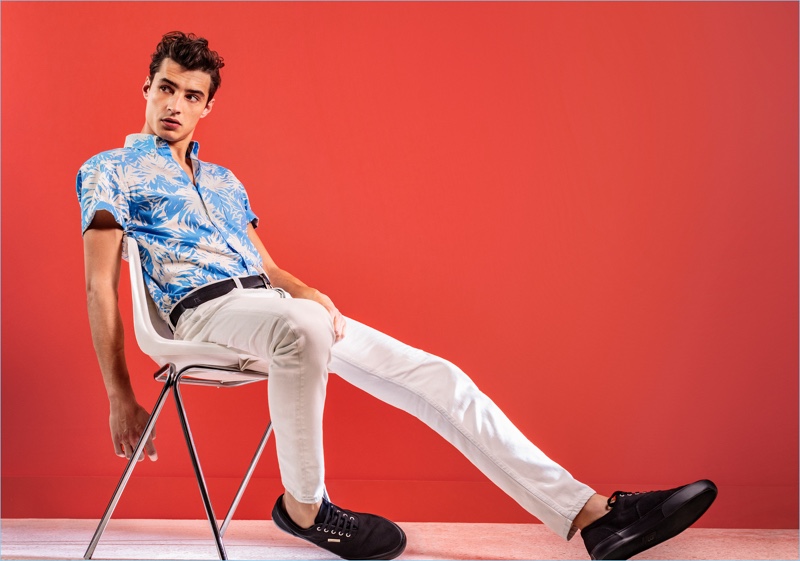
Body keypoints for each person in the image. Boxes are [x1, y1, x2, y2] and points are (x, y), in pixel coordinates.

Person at [78, 31, 717, 561]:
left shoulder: (223, 181)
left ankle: (592, 515)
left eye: (192, 95)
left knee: (438, 376)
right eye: (166, 88)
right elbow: (98, 283)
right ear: (146, 88)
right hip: (202, 315)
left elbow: (265, 266)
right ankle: (305, 509)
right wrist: (118, 393)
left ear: (208, 107)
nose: (176, 104)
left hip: (276, 310)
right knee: (301, 328)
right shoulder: (109, 170)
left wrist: (309, 292)